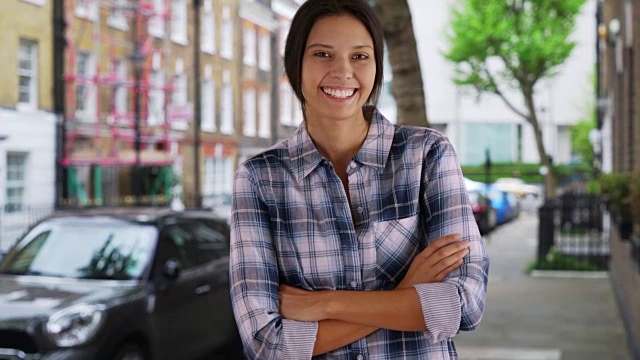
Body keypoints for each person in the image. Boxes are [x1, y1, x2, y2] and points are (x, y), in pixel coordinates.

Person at [229, 0, 489, 358]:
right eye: (323, 54)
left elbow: (464, 305)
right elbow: (267, 344)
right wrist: (406, 291)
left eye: (360, 56)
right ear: (294, 65)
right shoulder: (260, 178)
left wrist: (326, 305)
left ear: (376, 67)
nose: (343, 71)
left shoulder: (427, 154)